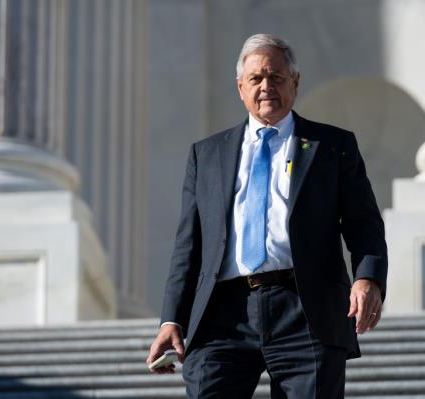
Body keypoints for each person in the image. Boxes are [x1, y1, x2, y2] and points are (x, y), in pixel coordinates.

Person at [147, 33, 388, 399]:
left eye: (276, 77)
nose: (266, 87)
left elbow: (363, 222)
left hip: (305, 308)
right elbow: (188, 245)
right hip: (222, 314)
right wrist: (171, 318)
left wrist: (367, 278)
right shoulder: (206, 155)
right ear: (240, 87)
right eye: (256, 79)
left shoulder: (332, 146)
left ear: (295, 82)